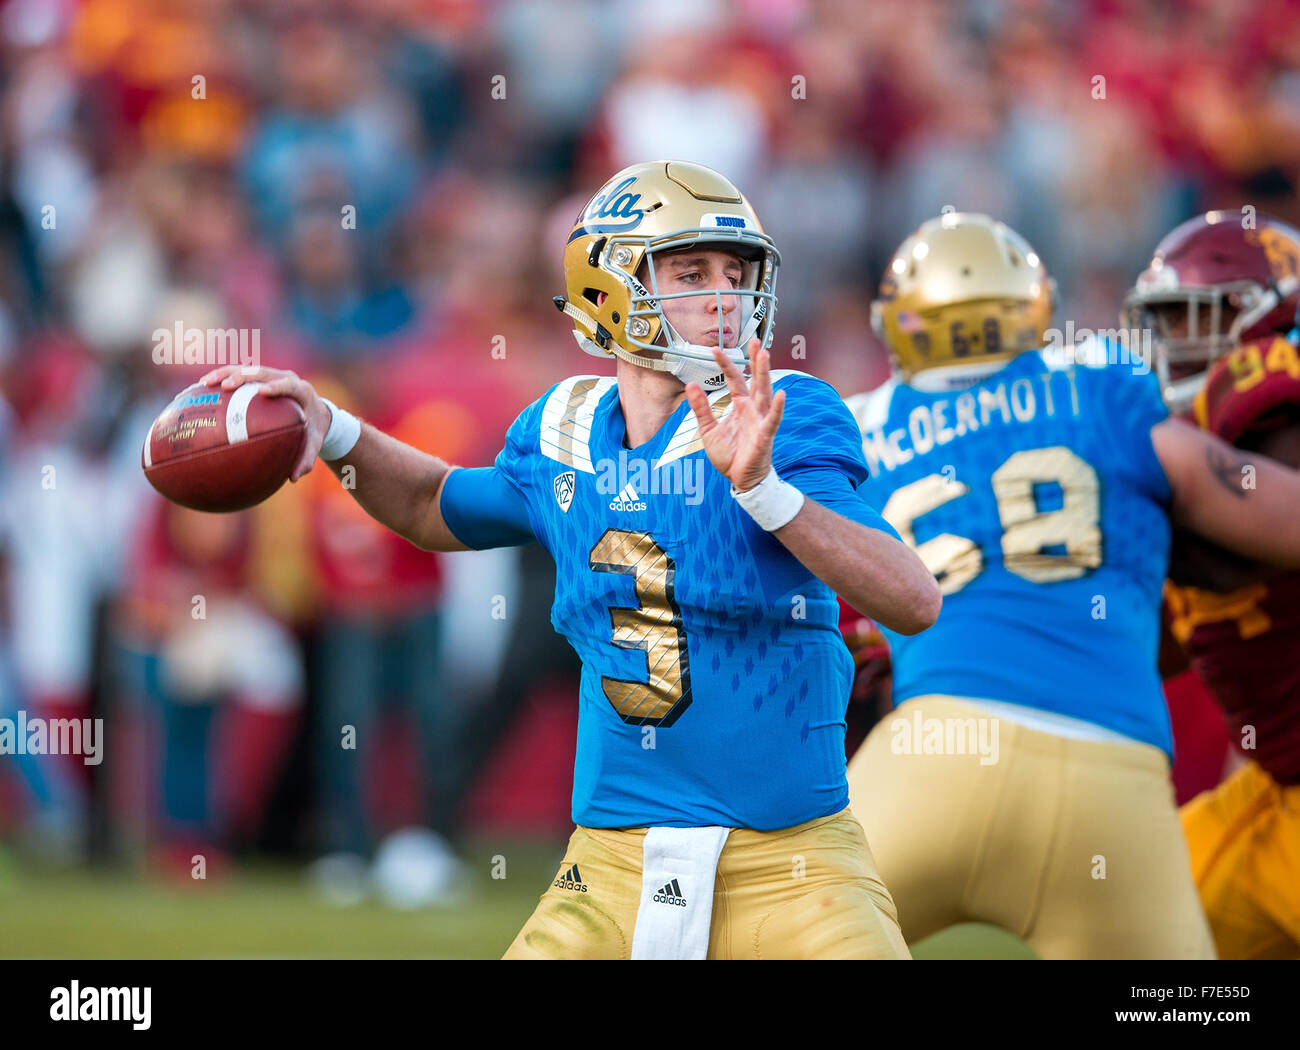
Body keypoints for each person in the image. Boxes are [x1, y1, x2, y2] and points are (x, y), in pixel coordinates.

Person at [200, 160, 940, 959]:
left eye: (737, 272)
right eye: (691, 272)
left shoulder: (786, 415)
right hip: (608, 868)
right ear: (608, 286)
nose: (725, 297)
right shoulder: (563, 427)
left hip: (793, 867)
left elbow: (911, 599)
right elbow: (432, 504)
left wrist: (765, 491)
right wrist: (337, 430)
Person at [844, 210, 1300, 959]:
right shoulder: (1106, 391)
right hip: (1113, 772)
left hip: (933, 746)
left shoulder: (858, 429)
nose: (1175, 341)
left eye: (1195, 319)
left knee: (776, 929)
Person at [1124, 210, 1300, 959]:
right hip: (1278, 794)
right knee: (1138, 942)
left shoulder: (1271, 409)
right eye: (1157, 326)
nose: (1168, 349)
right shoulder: (1190, 450)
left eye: (1187, 320)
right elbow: (1153, 650)